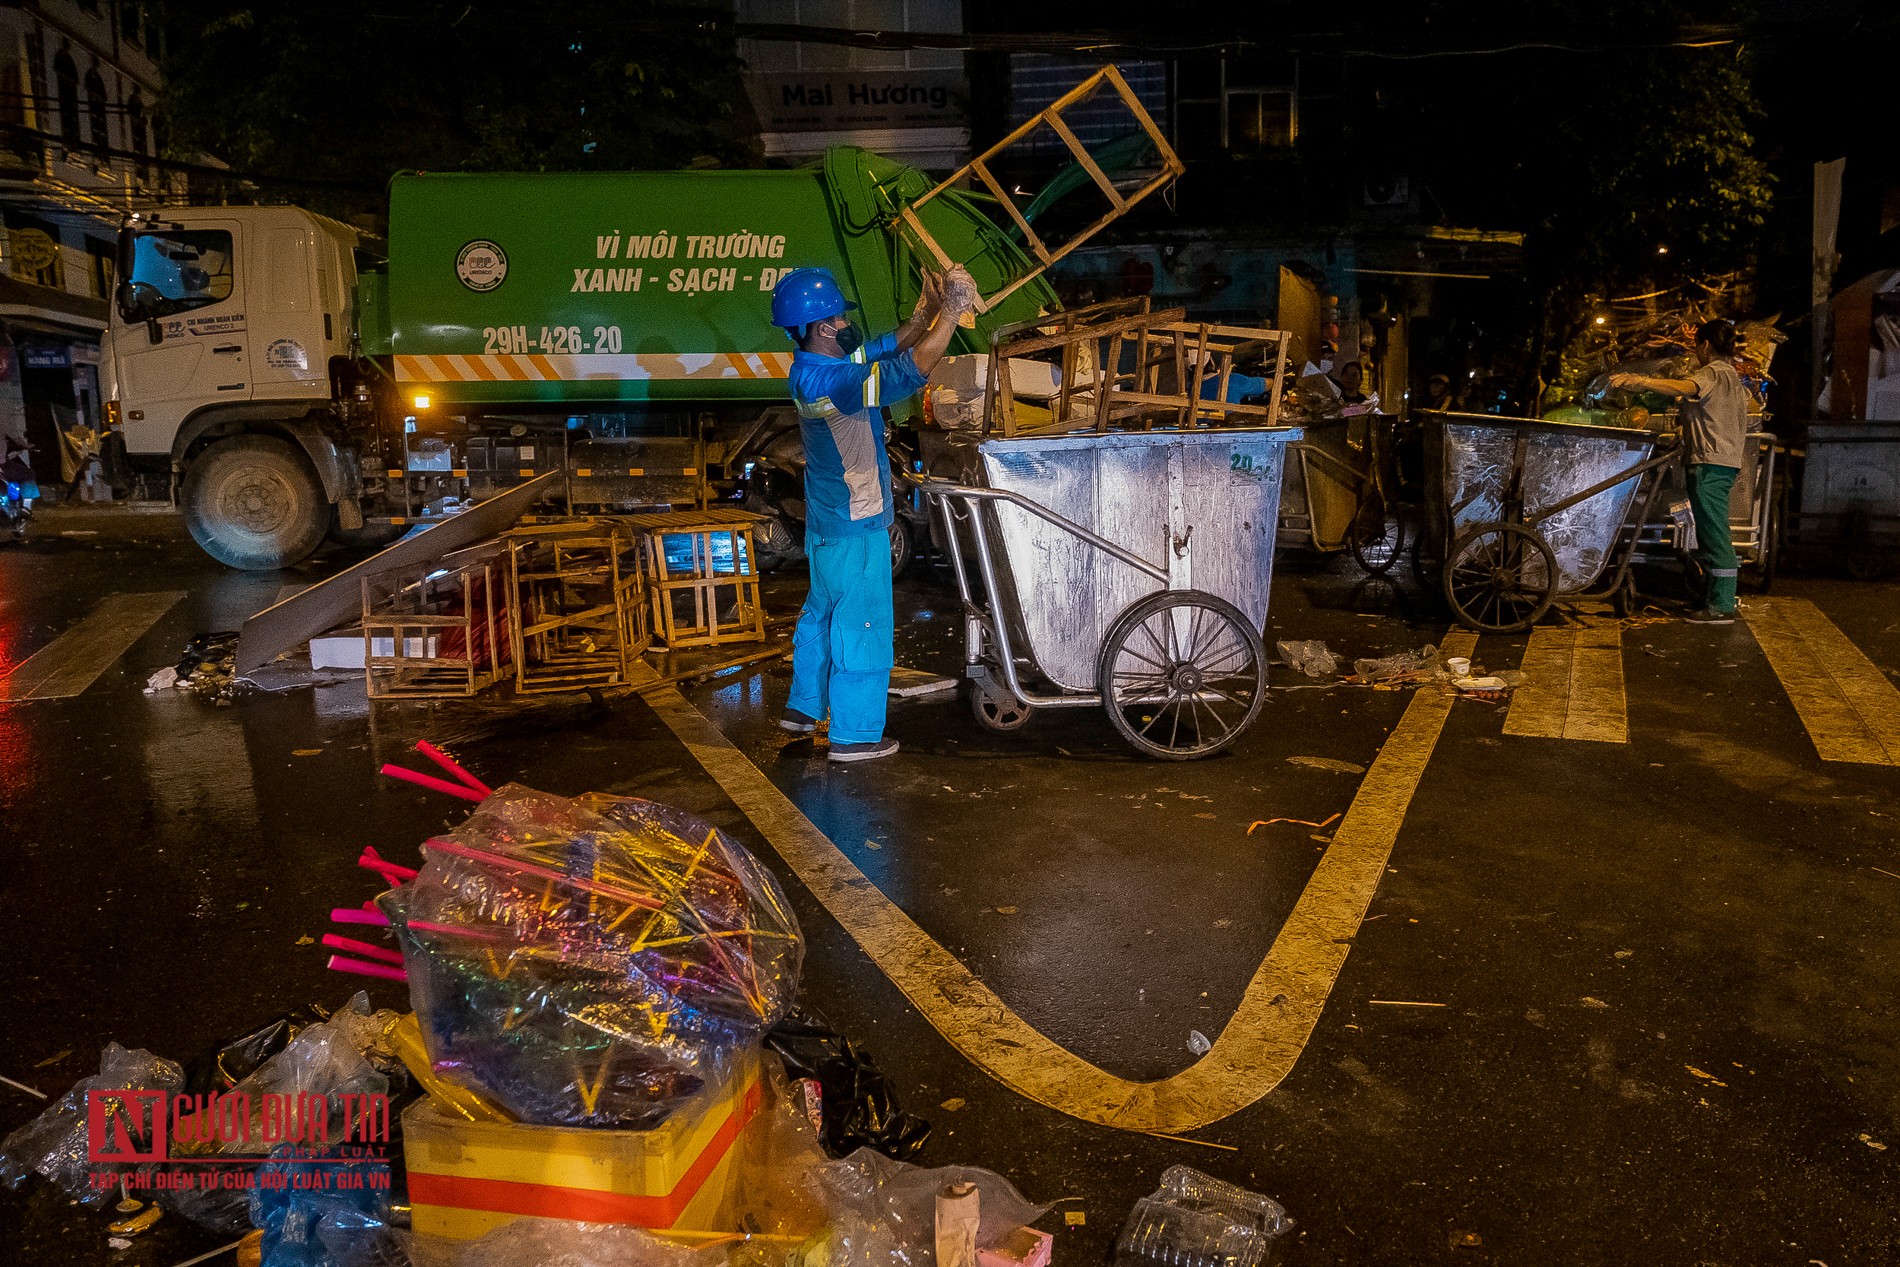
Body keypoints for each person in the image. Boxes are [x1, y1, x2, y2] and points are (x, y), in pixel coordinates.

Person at [770, 263, 974, 762]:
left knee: (822, 616)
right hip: (856, 524)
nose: (845, 325)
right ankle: (855, 737)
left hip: (827, 525)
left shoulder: (810, 368)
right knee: (862, 626)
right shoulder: (836, 384)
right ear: (821, 327)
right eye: (839, 319)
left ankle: (803, 709)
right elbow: (908, 372)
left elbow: (877, 351)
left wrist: (923, 314)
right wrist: (950, 314)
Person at [1608, 318, 1749, 624]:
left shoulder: (1712, 373)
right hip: (1719, 462)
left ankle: (1722, 604)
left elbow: (1685, 388)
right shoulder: (1732, 378)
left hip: (1711, 464)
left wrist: (1639, 381)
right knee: (1710, 532)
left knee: (1715, 535)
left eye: (1698, 345)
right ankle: (1709, 597)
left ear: (1706, 345)